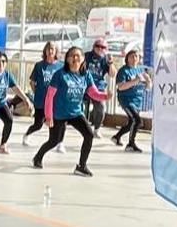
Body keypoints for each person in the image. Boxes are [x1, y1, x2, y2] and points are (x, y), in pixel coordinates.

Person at [32, 46, 111, 177]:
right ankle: (38, 157)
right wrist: (49, 116)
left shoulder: (86, 74)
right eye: (72, 56)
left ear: (83, 59)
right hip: (59, 114)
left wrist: (105, 96)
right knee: (54, 141)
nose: (75, 58)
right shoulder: (60, 74)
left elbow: (93, 92)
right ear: (67, 59)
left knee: (89, 134)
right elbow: (49, 96)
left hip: (76, 113)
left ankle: (81, 166)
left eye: (78, 56)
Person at [0, 52, 30, 154]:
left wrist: (26, 99)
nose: (1, 64)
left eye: (3, 62)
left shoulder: (7, 75)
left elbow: (15, 88)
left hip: (0, 104)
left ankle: (3, 145)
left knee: (9, 120)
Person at [21, 42, 62, 148]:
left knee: (56, 123)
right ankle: (27, 134)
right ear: (45, 51)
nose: (50, 51)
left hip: (55, 101)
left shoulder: (60, 66)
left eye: (53, 49)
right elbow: (32, 82)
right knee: (38, 124)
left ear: (56, 51)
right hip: (41, 100)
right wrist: (37, 92)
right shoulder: (39, 65)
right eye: (48, 49)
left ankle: (58, 142)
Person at [111, 45, 150, 153]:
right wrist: (136, 80)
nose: (134, 59)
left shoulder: (140, 70)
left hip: (138, 100)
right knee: (137, 121)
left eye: (136, 56)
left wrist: (148, 81)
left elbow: (147, 88)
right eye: (132, 56)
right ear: (127, 58)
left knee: (131, 123)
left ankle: (117, 136)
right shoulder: (124, 71)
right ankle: (131, 144)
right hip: (127, 100)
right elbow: (121, 86)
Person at [83, 38, 114, 137]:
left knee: (100, 107)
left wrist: (110, 64)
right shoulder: (87, 56)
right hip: (85, 85)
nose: (100, 49)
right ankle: (83, 127)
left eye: (103, 47)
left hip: (98, 87)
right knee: (82, 107)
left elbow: (112, 74)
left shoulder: (106, 59)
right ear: (93, 47)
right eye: (98, 46)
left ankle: (96, 128)